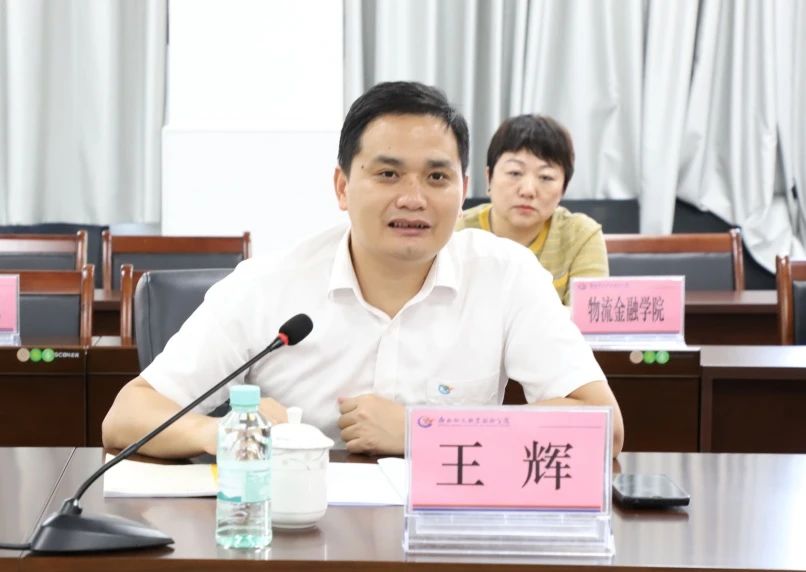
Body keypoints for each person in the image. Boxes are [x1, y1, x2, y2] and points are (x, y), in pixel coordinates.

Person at [102, 82, 624, 459]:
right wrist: (227, 433)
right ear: (343, 187)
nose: (413, 198)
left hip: (451, 541)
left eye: (437, 177)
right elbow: (127, 415)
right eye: (388, 174)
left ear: (464, 189)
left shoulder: (506, 275)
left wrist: (423, 431)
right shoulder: (267, 285)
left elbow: (604, 426)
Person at [457, 114, 608, 305]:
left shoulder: (580, 236)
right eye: (515, 173)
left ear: (564, 188)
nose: (528, 191)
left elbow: (588, 316)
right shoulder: (457, 231)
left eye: (545, 177)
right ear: (489, 177)